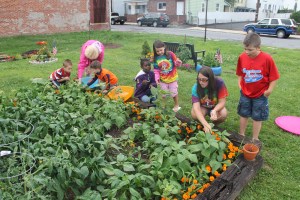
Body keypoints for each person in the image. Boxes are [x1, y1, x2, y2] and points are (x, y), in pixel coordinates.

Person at [236, 33, 280, 142]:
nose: (247, 52)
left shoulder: (267, 59)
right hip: (245, 93)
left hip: (260, 94)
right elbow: (240, 73)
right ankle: (241, 134)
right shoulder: (242, 57)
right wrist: (239, 85)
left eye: (250, 50)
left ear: (258, 48)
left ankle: (255, 138)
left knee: (257, 116)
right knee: (243, 113)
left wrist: (269, 90)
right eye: (245, 49)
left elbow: (274, 77)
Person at [191, 66, 228, 133]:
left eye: (204, 80)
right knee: (194, 114)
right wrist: (205, 124)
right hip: (203, 107)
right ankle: (203, 124)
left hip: (215, 106)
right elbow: (196, 108)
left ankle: (215, 124)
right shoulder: (195, 87)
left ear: (210, 79)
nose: (201, 82)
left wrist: (214, 110)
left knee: (223, 114)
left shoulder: (219, 83)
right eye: (199, 79)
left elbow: (222, 102)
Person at [152, 40, 182, 112]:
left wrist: (178, 62)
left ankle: (176, 105)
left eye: (161, 50)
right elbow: (156, 70)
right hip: (163, 80)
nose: (159, 52)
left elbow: (176, 64)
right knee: (164, 94)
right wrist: (157, 78)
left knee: (174, 92)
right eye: (157, 51)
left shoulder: (170, 54)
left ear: (164, 47)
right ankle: (164, 105)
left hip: (172, 78)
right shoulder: (156, 59)